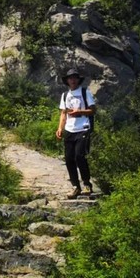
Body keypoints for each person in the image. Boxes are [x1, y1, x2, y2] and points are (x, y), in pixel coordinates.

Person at [56, 67, 96, 198]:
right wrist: (60, 128)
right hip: (69, 129)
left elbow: (92, 110)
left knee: (80, 156)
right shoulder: (65, 95)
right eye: (70, 78)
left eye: (75, 78)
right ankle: (75, 186)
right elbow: (63, 113)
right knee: (69, 159)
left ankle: (86, 184)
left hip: (83, 127)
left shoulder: (85, 92)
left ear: (78, 80)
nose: (72, 80)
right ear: (67, 81)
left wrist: (80, 112)